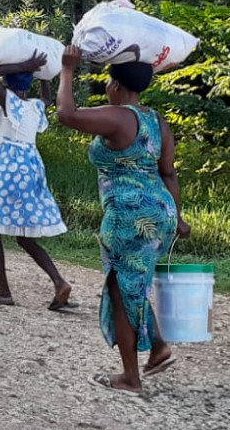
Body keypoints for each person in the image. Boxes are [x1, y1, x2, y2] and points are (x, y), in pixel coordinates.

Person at [57, 46, 188, 395]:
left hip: (129, 216)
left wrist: (68, 70)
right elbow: (169, 172)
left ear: (115, 84)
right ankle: (158, 347)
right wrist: (179, 216)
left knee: (120, 288)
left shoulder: (118, 116)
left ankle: (130, 378)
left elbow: (66, 114)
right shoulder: (156, 121)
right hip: (159, 211)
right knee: (135, 282)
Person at [0, 51, 73, 310]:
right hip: (31, 168)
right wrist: (42, 74)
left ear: (7, 82)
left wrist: (25, 65)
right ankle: (58, 281)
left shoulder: (8, 101)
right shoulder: (35, 107)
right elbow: (47, 97)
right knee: (24, 235)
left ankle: (3, 291)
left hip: (5, 167)